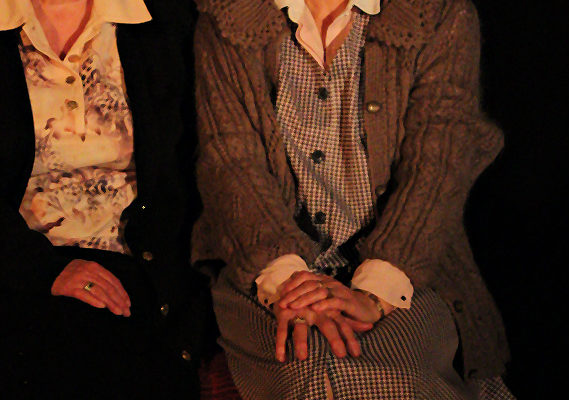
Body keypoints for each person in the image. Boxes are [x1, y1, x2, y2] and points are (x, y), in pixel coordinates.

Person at [191, 0, 514, 398]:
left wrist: (376, 293)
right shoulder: (230, 17)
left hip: (407, 264)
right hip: (267, 262)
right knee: (310, 379)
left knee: (399, 383)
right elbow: (230, 161)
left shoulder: (437, 12)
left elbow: (440, 161)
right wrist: (290, 283)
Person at [0, 0, 209, 398]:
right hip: (0, 263)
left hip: (132, 265)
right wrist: (41, 269)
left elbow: (201, 163)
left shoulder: (159, 17)